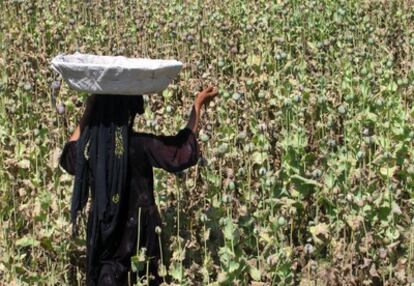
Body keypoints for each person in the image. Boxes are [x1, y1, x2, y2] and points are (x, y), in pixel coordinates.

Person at [59, 86, 218, 286]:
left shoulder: (90, 150)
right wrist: (198, 105)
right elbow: (181, 151)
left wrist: (90, 108)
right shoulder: (139, 145)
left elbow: (68, 155)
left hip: (102, 235)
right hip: (140, 237)